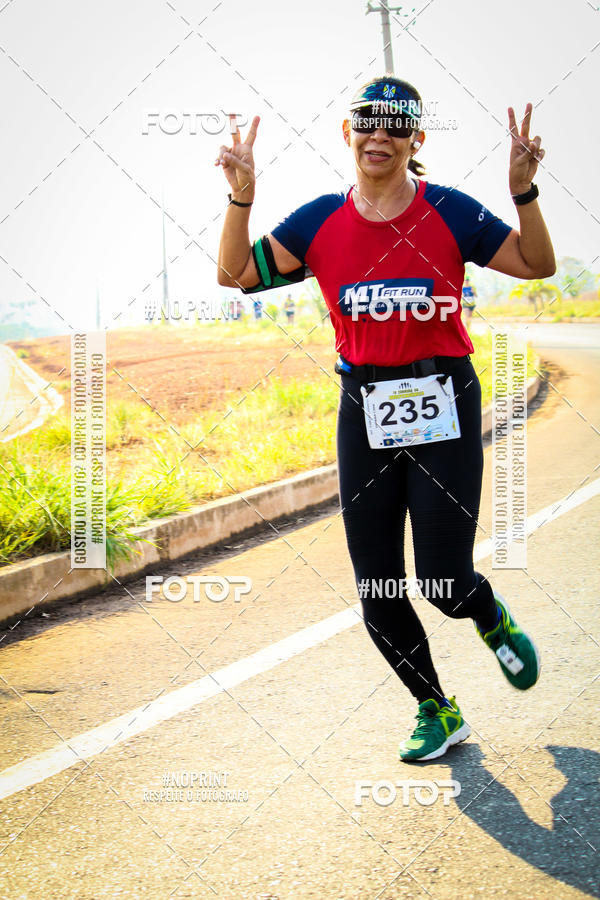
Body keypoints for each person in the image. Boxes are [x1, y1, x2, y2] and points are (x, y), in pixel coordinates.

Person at [216, 76, 555, 762]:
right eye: (367, 121)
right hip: (363, 409)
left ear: (415, 139)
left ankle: (487, 615)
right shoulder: (319, 222)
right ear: (347, 133)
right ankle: (436, 708)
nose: (380, 135)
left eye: (397, 125)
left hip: (443, 401)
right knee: (377, 585)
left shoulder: (450, 211)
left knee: (443, 582)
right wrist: (242, 197)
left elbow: (536, 264)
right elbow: (237, 275)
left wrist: (524, 192)